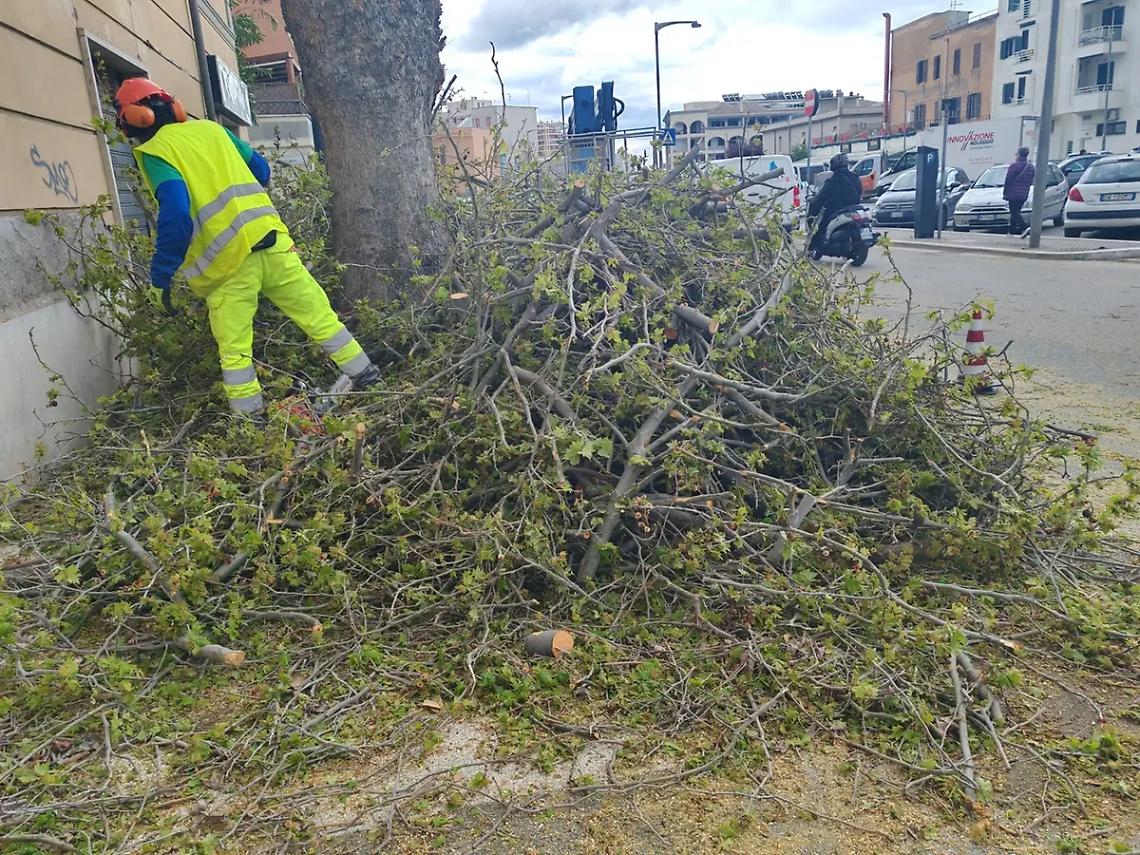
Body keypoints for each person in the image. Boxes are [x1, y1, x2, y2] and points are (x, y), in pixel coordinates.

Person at [114, 77, 377, 416]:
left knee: (236, 353)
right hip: (274, 244)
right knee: (320, 318)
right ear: (173, 108)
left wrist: (161, 277)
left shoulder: (153, 152)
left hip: (229, 268)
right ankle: (368, 378)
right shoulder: (212, 130)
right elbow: (262, 170)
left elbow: (178, 215)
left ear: (135, 120)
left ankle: (250, 425)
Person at [808, 153, 863, 256]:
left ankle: (813, 248)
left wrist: (813, 207)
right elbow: (860, 192)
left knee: (820, 227)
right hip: (854, 209)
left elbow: (821, 197)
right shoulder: (855, 177)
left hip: (836, 210)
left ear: (834, 165)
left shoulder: (834, 180)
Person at [1003, 146, 1035, 238]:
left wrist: (1005, 193)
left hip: (1013, 194)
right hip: (1024, 193)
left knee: (1014, 212)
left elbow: (1008, 180)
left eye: (1017, 154)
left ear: (1019, 154)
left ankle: (1024, 227)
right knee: (1016, 212)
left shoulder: (1014, 166)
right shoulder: (1031, 167)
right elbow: (1031, 180)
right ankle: (1011, 232)